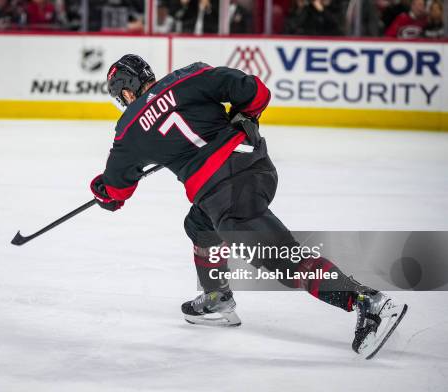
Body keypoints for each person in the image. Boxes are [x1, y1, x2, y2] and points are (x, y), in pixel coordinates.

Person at [91, 54, 408, 358]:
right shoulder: (190, 76)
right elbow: (255, 90)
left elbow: (115, 192)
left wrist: (101, 189)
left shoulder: (129, 128)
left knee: (283, 261)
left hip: (226, 192)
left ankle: (367, 302)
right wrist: (246, 115)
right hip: (255, 166)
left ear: (127, 91)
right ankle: (217, 297)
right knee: (200, 224)